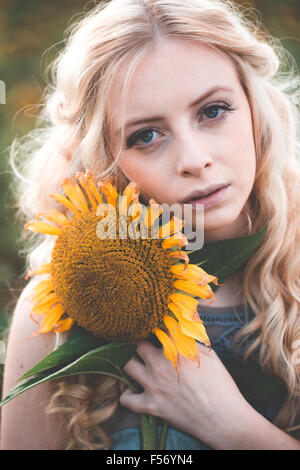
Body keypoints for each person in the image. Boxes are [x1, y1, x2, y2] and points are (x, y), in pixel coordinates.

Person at [1, 0, 300, 450]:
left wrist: (232, 426)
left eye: (213, 111)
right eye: (146, 135)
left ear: (256, 107)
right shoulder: (60, 309)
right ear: (106, 161)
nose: (194, 159)